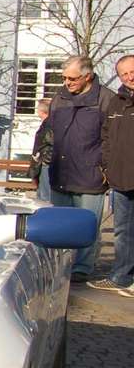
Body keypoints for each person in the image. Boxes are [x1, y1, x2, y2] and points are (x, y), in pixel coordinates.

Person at [48, 54, 115, 282]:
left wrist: (105, 169)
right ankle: (59, 266)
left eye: (72, 79)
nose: (67, 83)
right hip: (61, 172)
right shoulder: (60, 98)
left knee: (86, 226)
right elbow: (50, 130)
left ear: (88, 76)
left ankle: (82, 268)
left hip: (90, 174)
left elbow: (112, 139)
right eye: (65, 78)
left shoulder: (106, 99)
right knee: (59, 227)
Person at [93, 55, 134, 294]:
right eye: (124, 74)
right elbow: (106, 137)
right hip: (121, 178)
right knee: (122, 232)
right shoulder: (116, 103)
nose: (130, 77)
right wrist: (107, 166)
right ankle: (121, 276)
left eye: (132, 71)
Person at [29, 98, 53, 201]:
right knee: (42, 196)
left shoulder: (49, 125)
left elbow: (50, 144)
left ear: (42, 111)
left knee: (44, 198)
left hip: (45, 164)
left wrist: (43, 160)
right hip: (43, 163)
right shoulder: (46, 124)